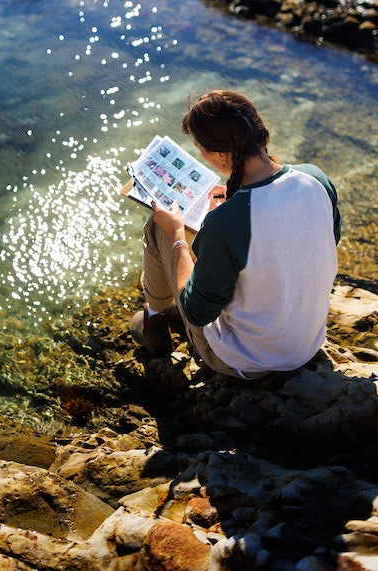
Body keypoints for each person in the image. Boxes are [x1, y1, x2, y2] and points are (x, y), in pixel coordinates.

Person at [130, 91, 341, 380]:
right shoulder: (316, 179)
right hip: (306, 344)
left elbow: (197, 314)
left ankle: (153, 323)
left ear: (221, 155)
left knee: (160, 227)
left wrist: (177, 234)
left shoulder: (227, 222)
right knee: (214, 242)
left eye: (200, 148)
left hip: (249, 361)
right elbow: (322, 240)